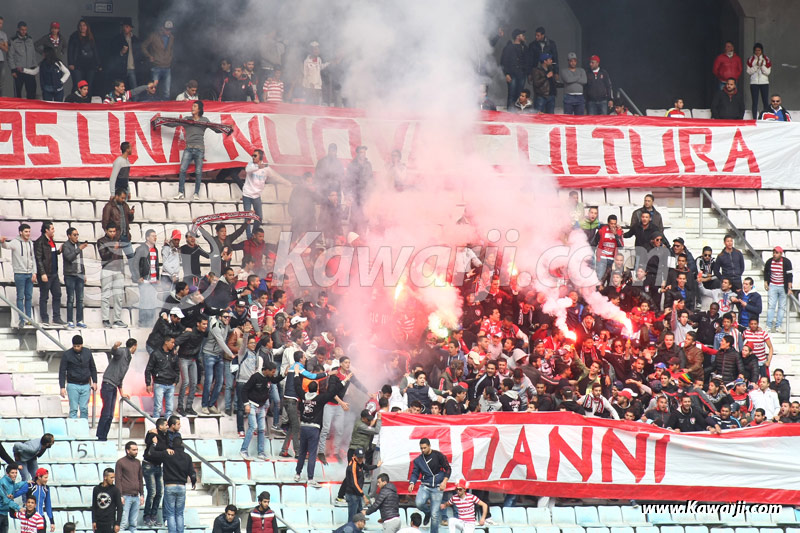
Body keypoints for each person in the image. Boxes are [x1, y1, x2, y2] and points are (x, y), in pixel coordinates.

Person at [294, 371, 346, 487]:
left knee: (302, 452)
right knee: (312, 454)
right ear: (317, 389)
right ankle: (310, 478)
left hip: (303, 427)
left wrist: (297, 374)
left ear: (308, 388)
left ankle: (297, 474)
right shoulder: (320, 398)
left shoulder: (302, 396)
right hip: (314, 429)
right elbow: (333, 392)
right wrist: (344, 381)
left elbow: (297, 386)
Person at [147, 437, 196, 533]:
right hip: (182, 487)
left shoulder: (168, 454)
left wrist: (154, 444)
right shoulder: (187, 457)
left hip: (170, 486)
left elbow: (151, 453)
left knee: (170, 514)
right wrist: (193, 482)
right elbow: (192, 472)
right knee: (179, 514)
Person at [241, 360, 285, 460]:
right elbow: (244, 390)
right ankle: (243, 450)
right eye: (273, 372)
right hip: (252, 404)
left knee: (262, 429)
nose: (274, 374)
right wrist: (246, 404)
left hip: (262, 406)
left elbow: (275, 380)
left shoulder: (269, 378)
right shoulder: (255, 377)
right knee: (253, 427)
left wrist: (283, 374)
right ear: (267, 370)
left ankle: (261, 452)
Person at [242, 149, 291, 237]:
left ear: (260, 157)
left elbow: (276, 177)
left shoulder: (266, 169)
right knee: (247, 217)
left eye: (255, 156)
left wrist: (286, 182)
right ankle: (248, 236)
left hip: (257, 196)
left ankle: (254, 233)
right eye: (252, 155)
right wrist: (259, 167)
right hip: (247, 195)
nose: (253, 157)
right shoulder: (250, 164)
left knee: (259, 217)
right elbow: (248, 170)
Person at [97, 340, 137, 441]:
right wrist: (115, 346)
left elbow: (121, 375)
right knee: (106, 412)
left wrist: (121, 392)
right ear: (134, 346)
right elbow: (114, 352)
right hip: (108, 384)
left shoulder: (129, 358)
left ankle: (104, 436)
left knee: (110, 414)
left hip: (114, 385)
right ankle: (100, 436)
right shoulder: (123, 351)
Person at [408, 438, 451, 533]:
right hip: (425, 485)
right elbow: (415, 473)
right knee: (419, 503)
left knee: (435, 515)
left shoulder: (438, 455)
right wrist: (412, 483)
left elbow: (448, 469)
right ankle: (427, 512)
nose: (423, 450)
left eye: (424, 448)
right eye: (421, 448)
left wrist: (444, 481)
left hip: (437, 487)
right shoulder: (419, 460)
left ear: (429, 446)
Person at [0, 224, 36, 329]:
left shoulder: (30, 243)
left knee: (28, 297)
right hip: (19, 274)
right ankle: (22, 319)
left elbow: (33, 258)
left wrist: (34, 272)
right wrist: (2, 242)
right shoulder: (15, 242)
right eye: (26, 231)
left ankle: (29, 319)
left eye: (29, 231)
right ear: (20, 232)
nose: (28, 234)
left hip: (29, 273)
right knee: (20, 297)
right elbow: (7, 246)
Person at [173, 101, 210, 201]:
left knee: (198, 172)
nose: (192, 108)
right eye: (192, 106)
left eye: (194, 106)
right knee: (182, 170)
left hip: (200, 149)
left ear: (199, 109)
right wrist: (161, 122)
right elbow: (174, 123)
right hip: (188, 148)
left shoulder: (205, 120)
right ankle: (180, 192)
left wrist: (228, 129)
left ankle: (196, 194)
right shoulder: (187, 119)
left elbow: (216, 128)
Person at [202, 312, 237, 415]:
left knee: (220, 382)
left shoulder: (226, 325)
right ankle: (204, 406)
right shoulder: (215, 326)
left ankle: (211, 405)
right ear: (220, 317)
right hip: (209, 354)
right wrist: (231, 354)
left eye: (229, 317)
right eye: (225, 317)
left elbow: (229, 331)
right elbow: (221, 342)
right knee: (208, 381)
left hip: (218, 356)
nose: (227, 319)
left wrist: (238, 329)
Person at [58, 335, 98, 419]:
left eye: (78, 346)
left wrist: (95, 382)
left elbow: (93, 368)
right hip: (73, 384)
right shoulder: (67, 354)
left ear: (82, 345)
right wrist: (62, 387)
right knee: (73, 409)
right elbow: (62, 371)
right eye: (75, 346)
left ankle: (83, 427)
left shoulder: (88, 353)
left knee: (84, 409)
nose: (76, 348)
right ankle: (74, 428)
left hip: (85, 384)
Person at [34, 222, 64, 327]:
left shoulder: (51, 241)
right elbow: (39, 258)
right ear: (46, 230)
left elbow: (50, 255)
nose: (53, 230)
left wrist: (58, 252)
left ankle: (56, 317)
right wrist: (42, 273)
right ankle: (45, 318)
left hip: (54, 273)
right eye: (52, 228)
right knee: (44, 296)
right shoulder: (40, 242)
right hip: (46, 273)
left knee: (57, 294)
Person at [97, 223, 126, 328]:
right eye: (110, 231)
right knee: (105, 295)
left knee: (119, 296)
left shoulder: (118, 241)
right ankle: (105, 319)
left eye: (114, 231)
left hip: (118, 270)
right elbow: (103, 255)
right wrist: (113, 248)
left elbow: (120, 256)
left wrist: (122, 270)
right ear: (106, 231)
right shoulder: (101, 241)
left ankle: (117, 319)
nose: (113, 233)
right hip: (107, 270)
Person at [145, 336, 180, 419]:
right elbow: (148, 369)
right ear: (166, 342)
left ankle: (168, 428)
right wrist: (148, 383)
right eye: (172, 342)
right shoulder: (156, 354)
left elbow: (177, 370)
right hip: (159, 383)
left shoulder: (174, 355)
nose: (173, 344)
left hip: (171, 384)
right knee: (158, 408)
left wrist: (176, 381)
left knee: (170, 409)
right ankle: (156, 426)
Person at [342, 448, 380, 521]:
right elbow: (354, 484)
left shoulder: (359, 463)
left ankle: (359, 526)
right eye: (359, 457)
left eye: (362, 457)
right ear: (354, 456)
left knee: (360, 514)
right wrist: (363, 495)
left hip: (357, 494)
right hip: (352, 494)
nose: (360, 459)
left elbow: (366, 467)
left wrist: (376, 466)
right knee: (353, 517)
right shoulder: (353, 466)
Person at [61, 227, 87, 329]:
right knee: (71, 299)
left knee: (80, 299)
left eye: (77, 235)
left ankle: (79, 320)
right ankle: (70, 320)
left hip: (79, 275)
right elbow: (69, 258)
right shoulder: (66, 246)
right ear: (69, 236)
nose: (77, 237)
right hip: (70, 275)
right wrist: (78, 249)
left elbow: (81, 261)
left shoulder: (78, 245)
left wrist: (84, 273)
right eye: (74, 235)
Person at [132, 229, 159, 327]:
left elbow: (156, 264)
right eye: (152, 236)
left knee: (152, 301)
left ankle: (151, 322)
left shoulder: (155, 249)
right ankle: (142, 322)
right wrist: (138, 277)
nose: (155, 237)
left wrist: (157, 277)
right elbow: (134, 263)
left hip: (153, 280)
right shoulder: (141, 249)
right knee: (144, 301)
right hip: (144, 279)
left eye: (155, 235)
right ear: (147, 237)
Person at [115, 442, 143, 533]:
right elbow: (118, 479)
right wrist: (120, 495)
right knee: (123, 522)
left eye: (137, 450)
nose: (136, 452)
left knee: (133, 523)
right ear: (128, 450)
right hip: (125, 496)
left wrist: (142, 494)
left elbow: (140, 479)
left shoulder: (138, 462)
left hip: (136, 496)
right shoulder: (120, 462)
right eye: (134, 450)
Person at [764, 246, 793, 333]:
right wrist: (766, 282)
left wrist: (789, 288)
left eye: (776, 253)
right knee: (771, 306)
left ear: (781, 254)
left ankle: (778, 326)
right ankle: (768, 325)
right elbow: (766, 272)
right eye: (774, 253)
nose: (774, 255)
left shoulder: (787, 262)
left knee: (781, 307)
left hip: (782, 286)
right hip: (772, 285)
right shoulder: (769, 261)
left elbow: (789, 276)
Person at [67, 20, 101, 94]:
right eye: (80, 25)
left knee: (89, 85)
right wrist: (71, 63)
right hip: (78, 64)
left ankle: (87, 103)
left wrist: (98, 64)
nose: (82, 27)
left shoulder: (91, 36)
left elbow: (95, 51)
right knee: (77, 84)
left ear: (87, 27)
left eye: (84, 25)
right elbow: (70, 50)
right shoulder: (74, 36)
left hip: (90, 64)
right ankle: (75, 102)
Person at [142, 21, 174, 99]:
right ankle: (153, 105)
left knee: (167, 91)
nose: (168, 31)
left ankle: (166, 108)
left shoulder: (172, 37)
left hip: (167, 66)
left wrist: (170, 58)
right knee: (153, 89)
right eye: (166, 29)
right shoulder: (154, 36)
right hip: (156, 66)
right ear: (162, 28)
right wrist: (149, 56)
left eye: (170, 30)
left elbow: (171, 49)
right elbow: (143, 46)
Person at [101, 189, 135, 260]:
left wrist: (131, 214)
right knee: (117, 258)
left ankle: (134, 271)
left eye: (124, 198)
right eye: (122, 198)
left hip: (125, 236)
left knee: (132, 257)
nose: (123, 200)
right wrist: (111, 234)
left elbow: (130, 220)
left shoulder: (125, 205)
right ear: (116, 196)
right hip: (115, 237)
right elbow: (105, 222)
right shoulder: (109, 206)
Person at [9, 22, 38, 99]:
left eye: (25, 30)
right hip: (19, 70)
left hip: (29, 69)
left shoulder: (30, 39)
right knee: (18, 92)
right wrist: (13, 70)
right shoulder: (13, 40)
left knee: (31, 91)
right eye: (22, 30)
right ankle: (18, 108)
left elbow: (33, 54)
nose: (24, 31)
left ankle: (30, 108)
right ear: (18, 29)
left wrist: (35, 68)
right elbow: (10, 56)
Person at [109, 21, 141, 89]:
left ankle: (135, 100)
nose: (124, 28)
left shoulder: (135, 40)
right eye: (123, 26)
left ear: (131, 28)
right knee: (121, 88)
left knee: (134, 88)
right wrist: (121, 52)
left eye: (127, 27)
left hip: (133, 68)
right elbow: (113, 53)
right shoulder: (117, 39)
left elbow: (139, 54)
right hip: (122, 68)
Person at [500, 29, 527, 109]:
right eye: (522, 35)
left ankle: (518, 114)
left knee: (520, 95)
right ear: (517, 37)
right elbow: (503, 62)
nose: (524, 37)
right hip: (512, 75)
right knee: (511, 95)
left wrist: (526, 72)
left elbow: (527, 60)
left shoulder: (524, 48)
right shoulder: (508, 48)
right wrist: (506, 74)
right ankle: (510, 115)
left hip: (521, 75)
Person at [92, 468, 122, 533]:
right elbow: (94, 506)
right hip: (98, 522)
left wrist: (117, 523)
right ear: (105, 477)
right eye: (111, 478)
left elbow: (120, 508)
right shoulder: (96, 489)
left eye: (114, 478)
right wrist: (93, 521)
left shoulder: (115, 490)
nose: (113, 480)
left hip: (110, 522)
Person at [1, 463, 28, 533]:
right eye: (12, 473)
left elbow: (15, 486)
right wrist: (19, 508)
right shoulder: (2, 483)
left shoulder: (10, 482)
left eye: (16, 473)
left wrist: (26, 482)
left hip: (4, 513)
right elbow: (6, 500)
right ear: (7, 473)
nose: (15, 475)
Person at [746, 43, 771, 117]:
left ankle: (766, 117)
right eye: (756, 50)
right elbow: (748, 71)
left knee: (765, 101)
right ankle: (754, 118)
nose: (757, 52)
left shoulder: (766, 59)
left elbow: (768, 72)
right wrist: (756, 66)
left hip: (764, 82)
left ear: (762, 51)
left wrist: (762, 66)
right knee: (754, 102)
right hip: (754, 82)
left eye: (759, 50)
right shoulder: (751, 59)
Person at [26, 468, 53, 533]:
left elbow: (48, 505)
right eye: (45, 477)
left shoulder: (46, 488)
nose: (47, 480)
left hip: (41, 518)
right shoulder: (30, 486)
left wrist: (52, 521)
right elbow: (15, 494)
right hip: (30, 518)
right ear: (39, 477)